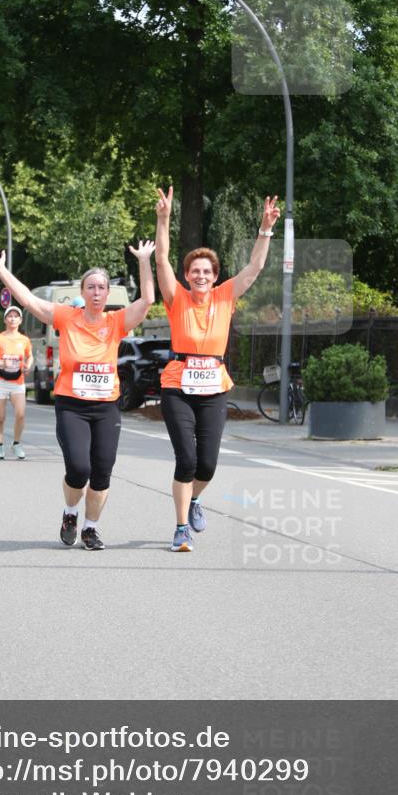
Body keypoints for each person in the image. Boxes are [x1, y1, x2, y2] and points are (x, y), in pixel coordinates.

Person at [0, 242, 155, 550]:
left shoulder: (116, 322)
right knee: (79, 468)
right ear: (83, 292)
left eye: (102, 287)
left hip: (105, 407)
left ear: (107, 293)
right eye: (91, 287)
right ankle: (70, 513)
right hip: (72, 406)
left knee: (102, 471)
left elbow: (148, 299)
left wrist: (143, 261)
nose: (97, 292)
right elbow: (30, 300)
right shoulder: (66, 317)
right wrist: (2, 270)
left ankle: (91, 528)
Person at [155, 186, 281, 552]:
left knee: (206, 465)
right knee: (187, 459)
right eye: (194, 270)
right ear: (187, 275)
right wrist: (163, 219)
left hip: (213, 387)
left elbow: (255, 267)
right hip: (178, 386)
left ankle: (195, 499)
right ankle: (180, 528)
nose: (201, 275)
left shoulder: (226, 295)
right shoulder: (176, 298)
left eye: (207, 271)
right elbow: (161, 261)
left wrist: (265, 229)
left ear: (215, 275)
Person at [0, 306, 34, 460]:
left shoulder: (24, 340)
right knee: (0, 418)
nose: (13, 319)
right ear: (5, 319)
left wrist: (28, 365)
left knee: (21, 414)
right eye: (10, 316)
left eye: (16, 316)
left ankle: (16, 444)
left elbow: (29, 356)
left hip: (17, 381)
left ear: (20, 320)